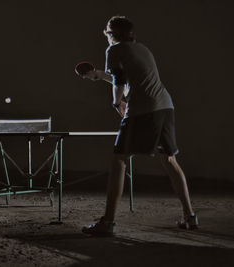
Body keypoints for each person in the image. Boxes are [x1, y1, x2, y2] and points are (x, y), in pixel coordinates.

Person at [79, 16, 198, 236]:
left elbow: (120, 82)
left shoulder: (113, 50)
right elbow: (129, 78)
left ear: (111, 33)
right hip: (165, 107)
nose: (105, 34)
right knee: (169, 159)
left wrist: (116, 103)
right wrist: (98, 75)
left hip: (143, 109)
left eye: (106, 31)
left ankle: (108, 222)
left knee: (119, 159)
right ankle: (190, 216)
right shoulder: (141, 49)